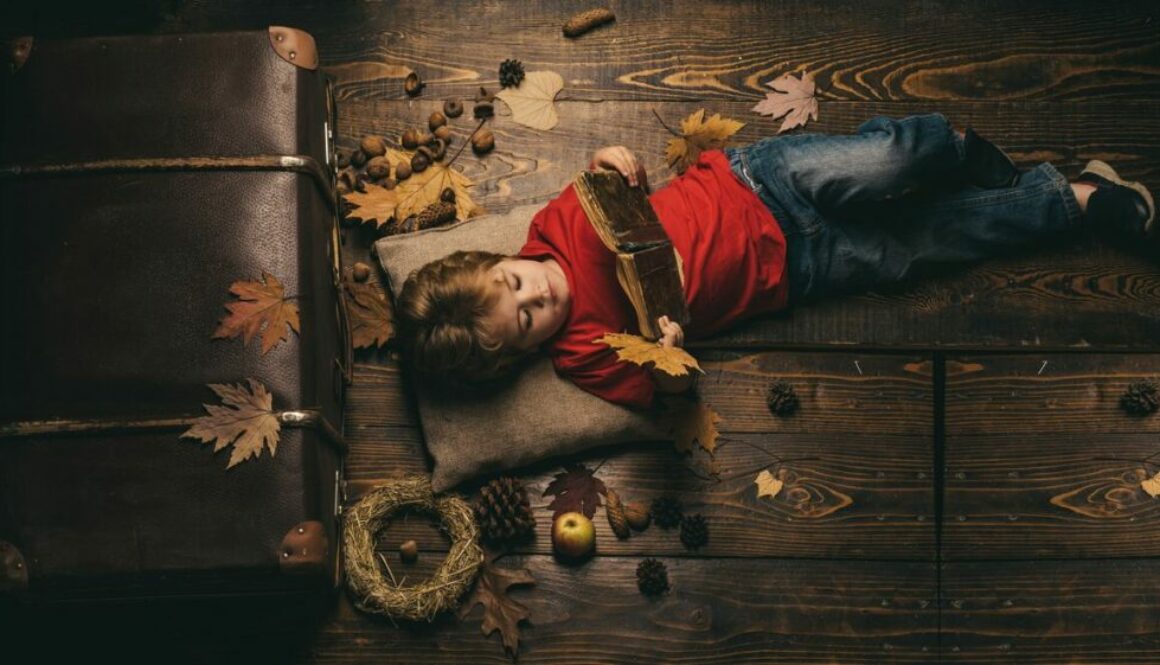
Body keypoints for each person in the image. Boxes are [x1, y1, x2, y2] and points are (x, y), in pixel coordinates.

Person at [396, 114, 1155, 408]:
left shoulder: (553, 224)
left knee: (888, 162)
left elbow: (619, 182)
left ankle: (953, 146)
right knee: (924, 246)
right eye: (526, 323)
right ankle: (1077, 199)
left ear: (499, 261)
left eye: (518, 288)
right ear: (524, 353)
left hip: (759, 183)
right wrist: (667, 349)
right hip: (797, 270)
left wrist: (613, 160)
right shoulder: (582, 355)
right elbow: (662, 389)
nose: (539, 303)